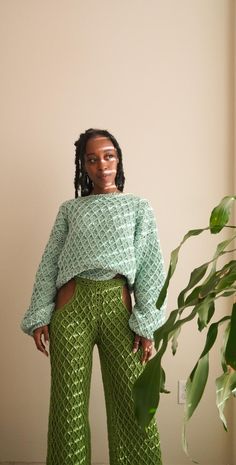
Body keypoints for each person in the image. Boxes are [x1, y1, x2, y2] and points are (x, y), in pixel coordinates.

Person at [20, 128, 166, 465]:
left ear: (118, 159)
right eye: (93, 159)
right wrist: (41, 313)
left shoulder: (137, 207)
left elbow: (149, 265)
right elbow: (50, 262)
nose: (102, 164)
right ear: (83, 166)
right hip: (72, 309)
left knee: (133, 404)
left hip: (120, 308)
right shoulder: (70, 210)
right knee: (67, 410)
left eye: (109, 156)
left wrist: (146, 323)